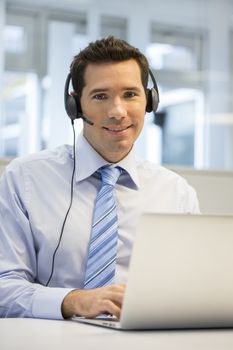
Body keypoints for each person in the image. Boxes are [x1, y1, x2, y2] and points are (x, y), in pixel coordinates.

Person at [0, 36, 200, 320]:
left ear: (150, 101)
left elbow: (194, 288)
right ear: (76, 106)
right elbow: (3, 288)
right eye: (100, 96)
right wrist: (72, 301)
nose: (118, 112)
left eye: (130, 94)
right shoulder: (26, 179)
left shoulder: (176, 193)